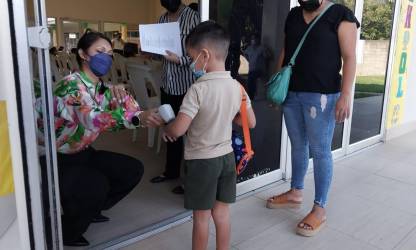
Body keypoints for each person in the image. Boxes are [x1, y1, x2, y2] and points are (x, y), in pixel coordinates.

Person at [36, 31, 162, 247]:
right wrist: (135, 119)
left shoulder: (101, 87)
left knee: (131, 170)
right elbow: (92, 119)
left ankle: (89, 209)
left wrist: (138, 113)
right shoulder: (71, 85)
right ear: (84, 55)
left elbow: (127, 110)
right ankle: (65, 232)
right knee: (96, 185)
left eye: (110, 53)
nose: (106, 57)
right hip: (55, 157)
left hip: (82, 151)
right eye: (100, 51)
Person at [158, 21, 256, 250]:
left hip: (201, 162)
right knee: (221, 214)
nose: (192, 63)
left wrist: (167, 129)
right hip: (226, 159)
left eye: (192, 58)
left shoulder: (198, 89)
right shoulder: (237, 87)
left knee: (201, 218)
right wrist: (227, 114)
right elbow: (250, 122)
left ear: (204, 55)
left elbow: (179, 129)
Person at [266, 0, 359, 237]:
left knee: (320, 151)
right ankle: (296, 192)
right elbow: (286, 53)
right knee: (298, 145)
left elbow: (349, 57)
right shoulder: (294, 15)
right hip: (292, 93)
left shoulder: (340, 14)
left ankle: (320, 208)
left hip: (323, 96)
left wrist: (345, 95)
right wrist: (277, 88)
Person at [149, 0, 200, 195]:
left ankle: (191, 181)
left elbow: (199, 55)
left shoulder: (193, 18)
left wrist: (179, 60)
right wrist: (151, 52)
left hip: (187, 86)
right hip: (167, 85)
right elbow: (159, 54)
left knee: (190, 134)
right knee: (170, 129)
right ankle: (171, 172)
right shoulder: (161, 19)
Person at [243, 34, 270, 99]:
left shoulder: (262, 48)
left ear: (258, 40)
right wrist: (248, 59)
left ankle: (251, 95)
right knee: (250, 78)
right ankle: (250, 94)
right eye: (252, 39)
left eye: (254, 39)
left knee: (251, 78)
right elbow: (245, 53)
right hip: (251, 70)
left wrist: (264, 54)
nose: (253, 40)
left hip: (260, 70)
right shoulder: (249, 48)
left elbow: (268, 56)